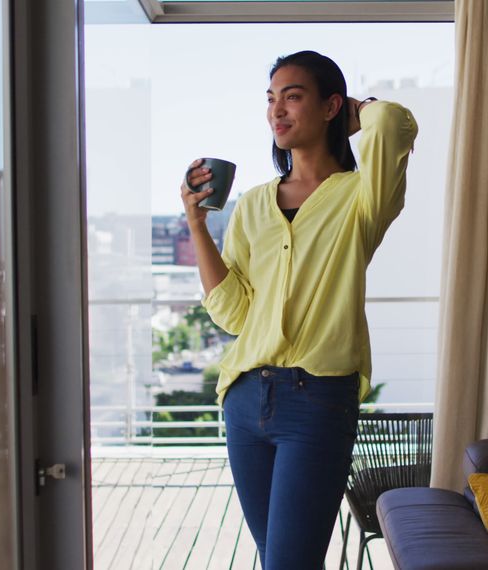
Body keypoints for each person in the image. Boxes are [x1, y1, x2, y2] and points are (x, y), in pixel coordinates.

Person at [179, 50, 418, 570]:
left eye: (293, 96)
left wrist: (360, 110)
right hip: (244, 400)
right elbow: (236, 313)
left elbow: (396, 124)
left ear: (331, 106)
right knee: (277, 560)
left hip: (318, 402)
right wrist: (198, 227)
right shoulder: (253, 204)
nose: (276, 111)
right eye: (271, 99)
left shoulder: (362, 197)